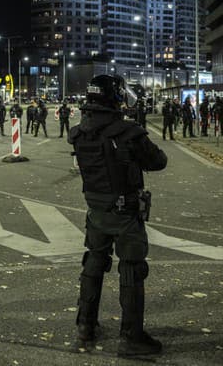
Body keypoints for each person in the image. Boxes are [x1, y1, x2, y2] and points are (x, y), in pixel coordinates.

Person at [69, 74, 167, 357]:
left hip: (96, 211)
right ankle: (132, 337)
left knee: (94, 264)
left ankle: (85, 325)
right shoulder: (127, 132)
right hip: (125, 213)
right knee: (132, 269)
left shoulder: (79, 132)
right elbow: (158, 161)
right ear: (116, 96)